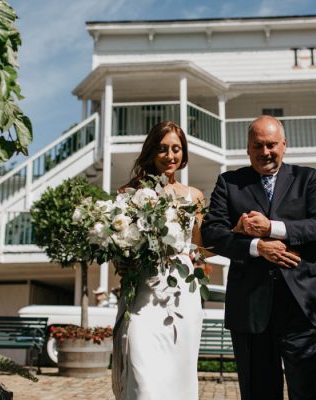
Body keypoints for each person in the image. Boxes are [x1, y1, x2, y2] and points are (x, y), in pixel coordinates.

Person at [201, 115, 316, 400]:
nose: (265, 152)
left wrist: (272, 228)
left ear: (284, 145)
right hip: (251, 309)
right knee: (259, 392)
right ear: (248, 148)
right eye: (258, 146)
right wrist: (256, 246)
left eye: (271, 145)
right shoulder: (229, 183)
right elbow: (211, 233)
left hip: (303, 306)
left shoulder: (308, 178)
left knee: (306, 390)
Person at [112, 121, 205, 400]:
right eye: (163, 149)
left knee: (179, 376)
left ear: (184, 153)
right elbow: (118, 249)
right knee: (143, 378)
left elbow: (202, 248)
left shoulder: (194, 196)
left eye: (176, 149)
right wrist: (125, 257)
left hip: (182, 293)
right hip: (143, 291)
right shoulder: (128, 193)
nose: (170, 155)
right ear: (152, 152)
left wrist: (236, 235)